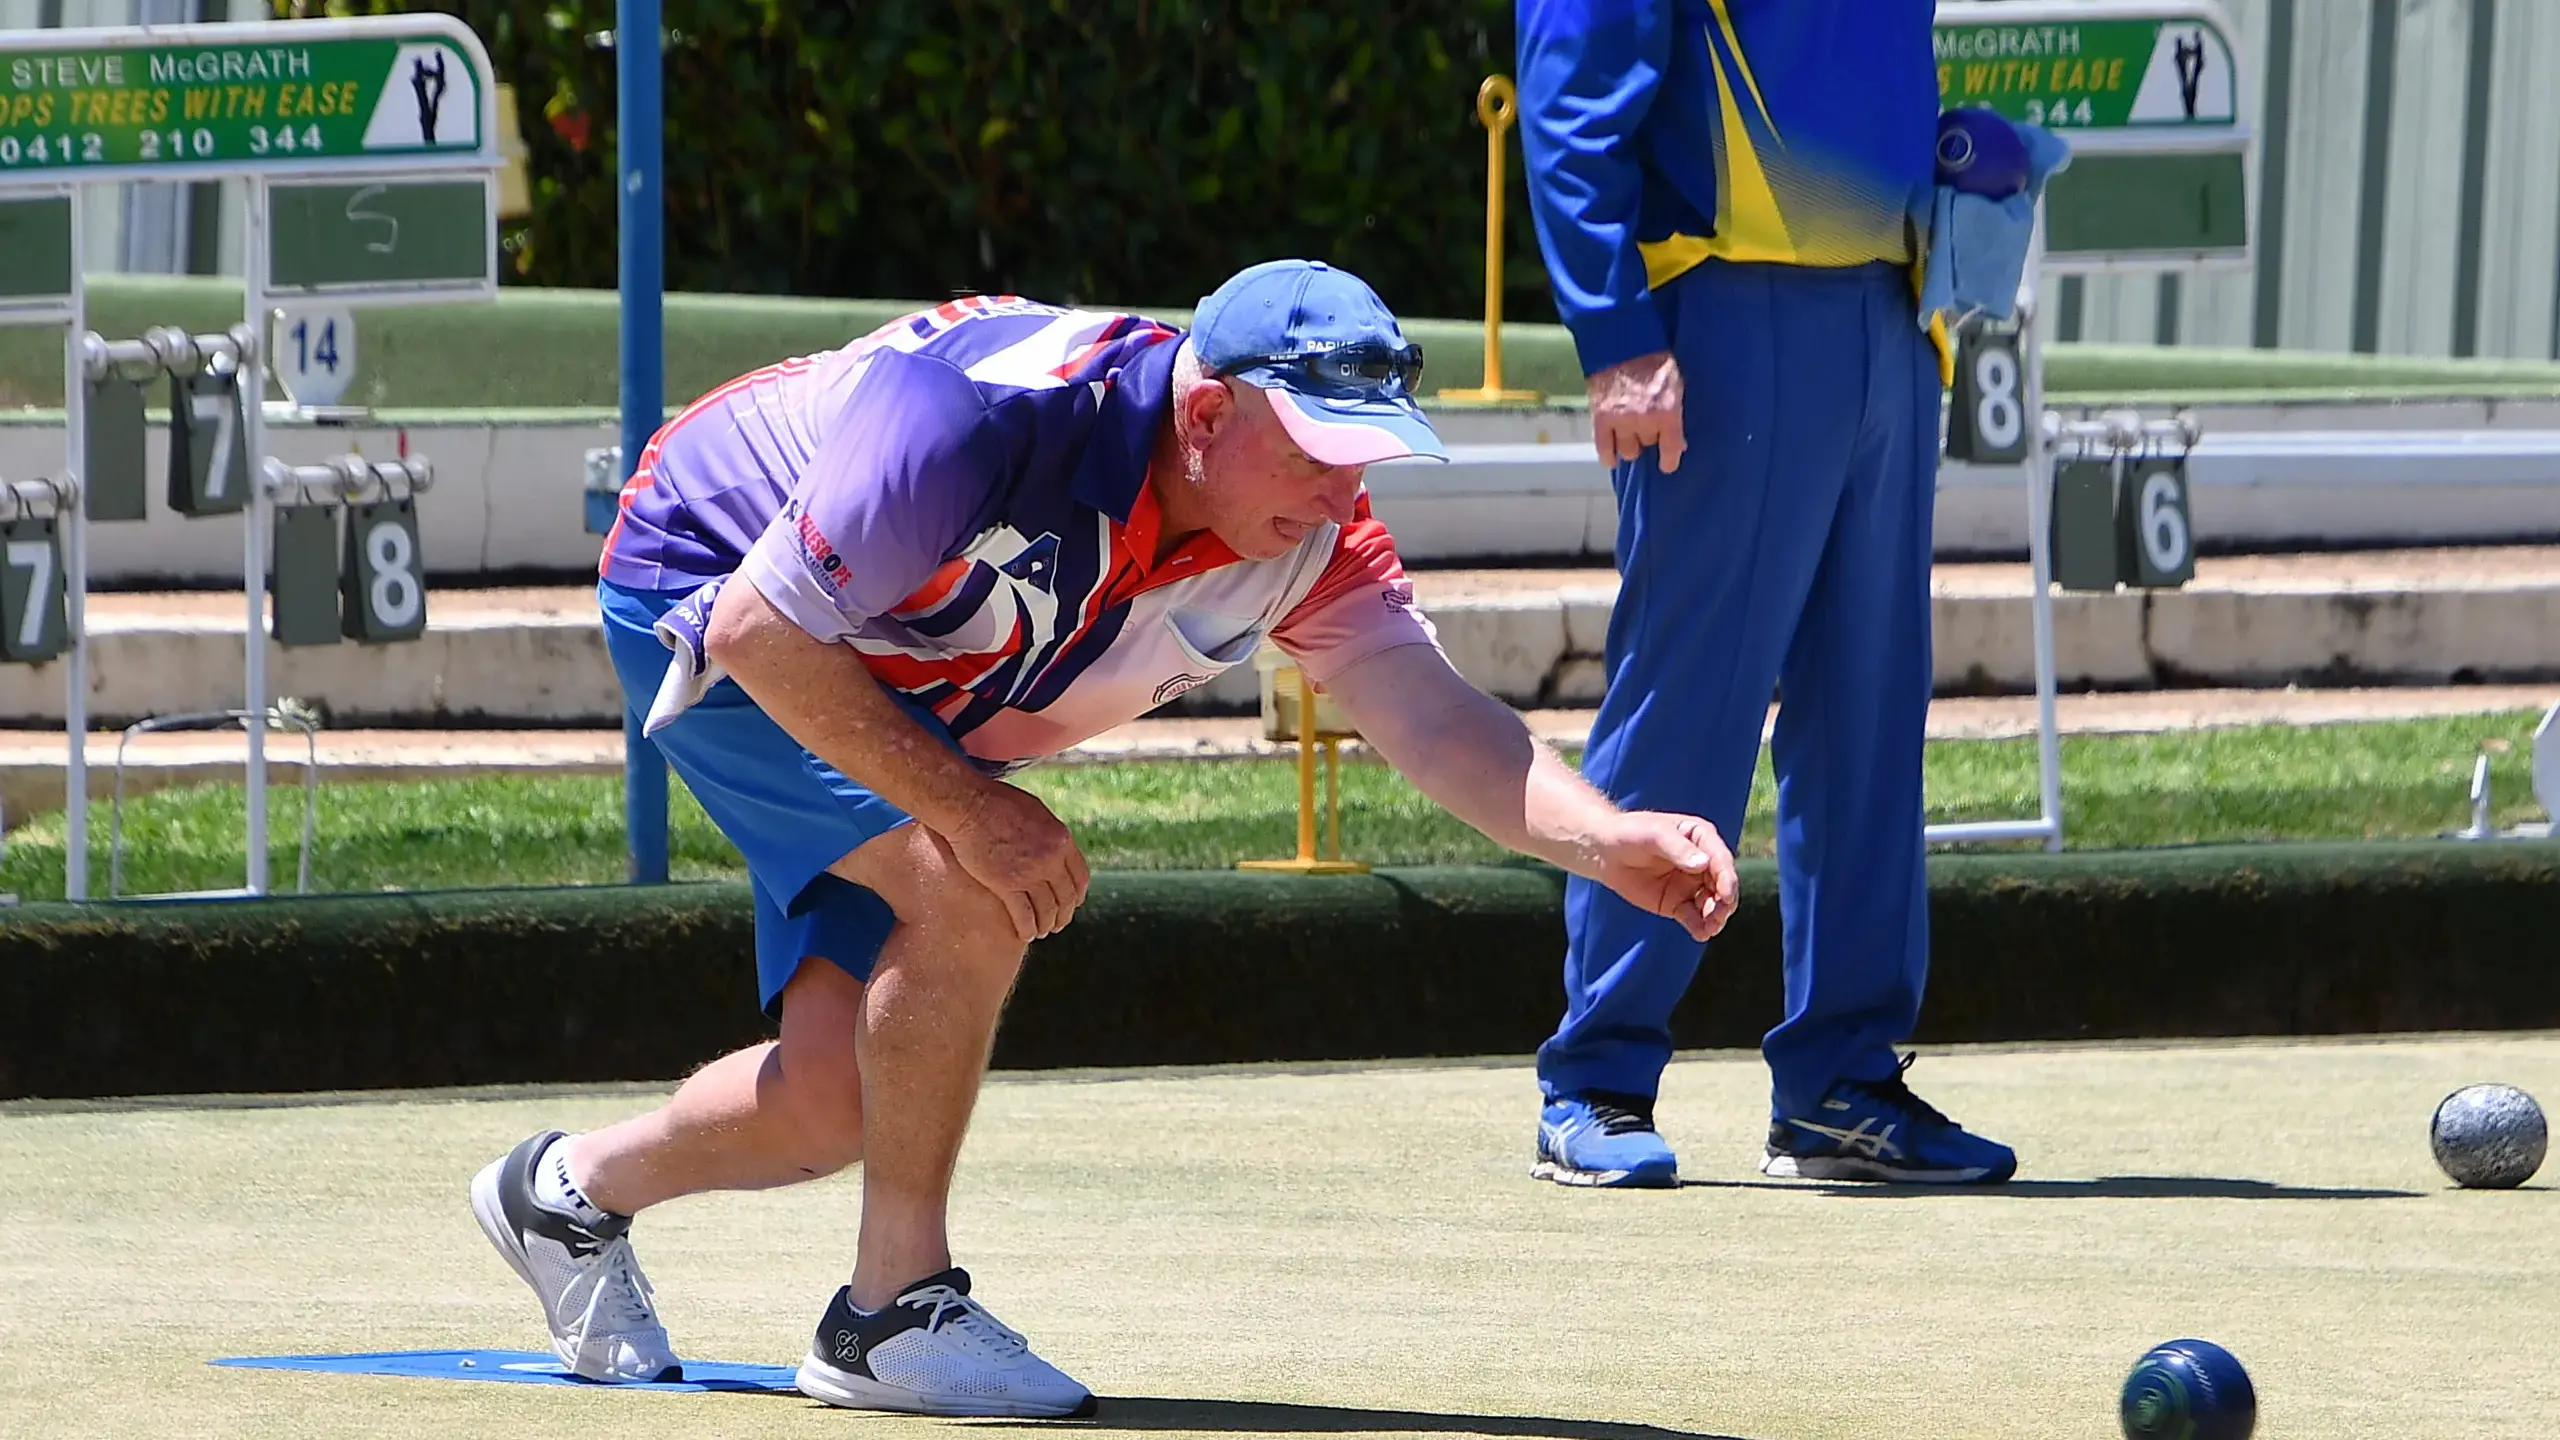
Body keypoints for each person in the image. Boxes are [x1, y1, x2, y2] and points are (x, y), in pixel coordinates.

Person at [471, 258, 1742, 1415]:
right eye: (1313, 449)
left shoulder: (1304, 529)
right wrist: (967, 807)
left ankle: (566, 1195)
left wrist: (1605, 837)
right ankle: (886, 1316)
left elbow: (1430, 712)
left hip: (902, 656)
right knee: (975, 882)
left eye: (1361, 455)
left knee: (833, 1104)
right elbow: (760, 631)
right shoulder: (974, 420)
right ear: (1204, 417)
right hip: (715, 587)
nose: (1340, 489)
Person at [1513, 1, 2018, 1188]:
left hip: (1892, 314)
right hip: (1725, 313)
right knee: (1692, 697)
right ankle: (1594, 1078)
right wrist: (1614, 334)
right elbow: (1570, 95)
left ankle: (1841, 1085)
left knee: (1869, 714)